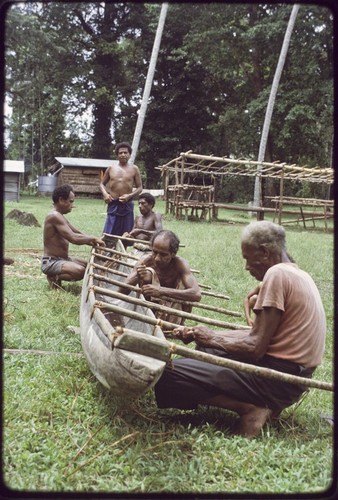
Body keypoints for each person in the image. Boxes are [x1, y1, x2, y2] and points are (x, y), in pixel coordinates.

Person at [154, 221, 326, 437]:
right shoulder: (299, 274)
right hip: (293, 380)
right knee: (204, 351)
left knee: (167, 374)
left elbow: (255, 347)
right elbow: (260, 336)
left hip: (276, 379)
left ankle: (251, 407)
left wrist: (212, 338)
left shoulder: (276, 275)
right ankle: (263, 403)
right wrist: (207, 335)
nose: (246, 267)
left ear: (264, 252)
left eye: (247, 258)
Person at [117, 229, 201, 324]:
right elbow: (121, 292)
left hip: (173, 312)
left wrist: (160, 291)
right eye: (154, 252)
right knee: (147, 273)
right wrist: (137, 276)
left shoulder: (180, 264)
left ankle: (174, 322)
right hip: (150, 313)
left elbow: (196, 294)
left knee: (183, 284)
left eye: (163, 255)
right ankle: (150, 319)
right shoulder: (145, 261)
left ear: (173, 254)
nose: (157, 258)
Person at [41, 184, 105, 289]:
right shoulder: (54, 216)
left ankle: (57, 274)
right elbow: (73, 238)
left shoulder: (59, 216)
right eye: (71, 201)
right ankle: (53, 277)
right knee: (80, 271)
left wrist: (93, 241)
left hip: (62, 259)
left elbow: (77, 232)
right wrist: (92, 238)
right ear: (61, 200)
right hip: (51, 262)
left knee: (88, 266)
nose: (72, 205)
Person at [99, 142, 143, 237]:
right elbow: (102, 184)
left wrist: (129, 196)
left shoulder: (134, 169)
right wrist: (105, 194)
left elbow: (140, 188)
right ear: (117, 155)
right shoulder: (111, 168)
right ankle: (108, 250)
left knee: (126, 232)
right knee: (109, 231)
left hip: (127, 204)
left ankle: (121, 250)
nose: (123, 155)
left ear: (129, 155)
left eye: (125, 153)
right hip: (113, 203)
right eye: (120, 153)